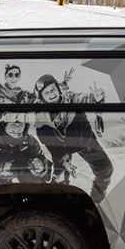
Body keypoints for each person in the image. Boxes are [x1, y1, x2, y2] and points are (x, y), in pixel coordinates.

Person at [32, 74, 113, 202]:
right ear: (42, 97)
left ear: (58, 89)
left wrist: (96, 98)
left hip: (85, 141)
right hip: (61, 148)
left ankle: (95, 202)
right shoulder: (41, 117)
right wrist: (64, 162)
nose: (51, 94)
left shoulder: (71, 98)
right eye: (46, 92)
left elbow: (84, 98)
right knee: (60, 181)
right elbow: (50, 144)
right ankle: (55, 206)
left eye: (53, 89)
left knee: (105, 169)